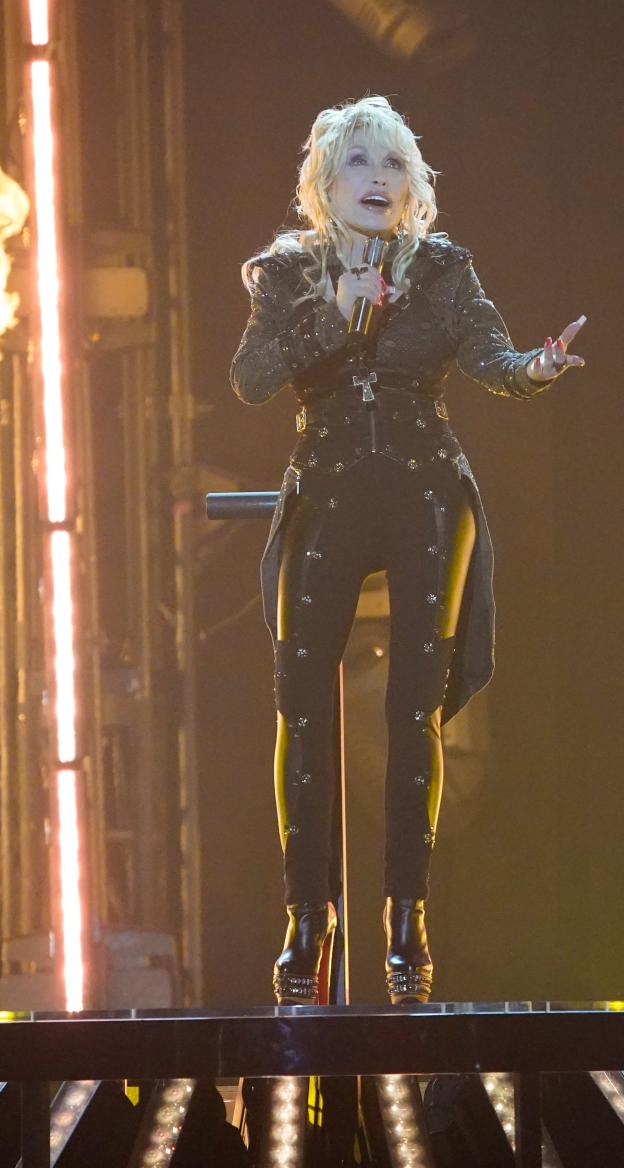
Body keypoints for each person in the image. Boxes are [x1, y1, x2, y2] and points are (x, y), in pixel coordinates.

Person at [229, 95, 585, 1006]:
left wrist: (535, 371)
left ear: (414, 185)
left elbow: (496, 363)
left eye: (393, 165)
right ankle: (308, 915)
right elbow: (252, 379)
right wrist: (334, 319)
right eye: (359, 164)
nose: (378, 179)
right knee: (300, 701)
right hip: (331, 481)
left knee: (412, 711)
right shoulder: (288, 273)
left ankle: (405, 916)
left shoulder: (443, 272)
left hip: (426, 489)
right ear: (325, 184)